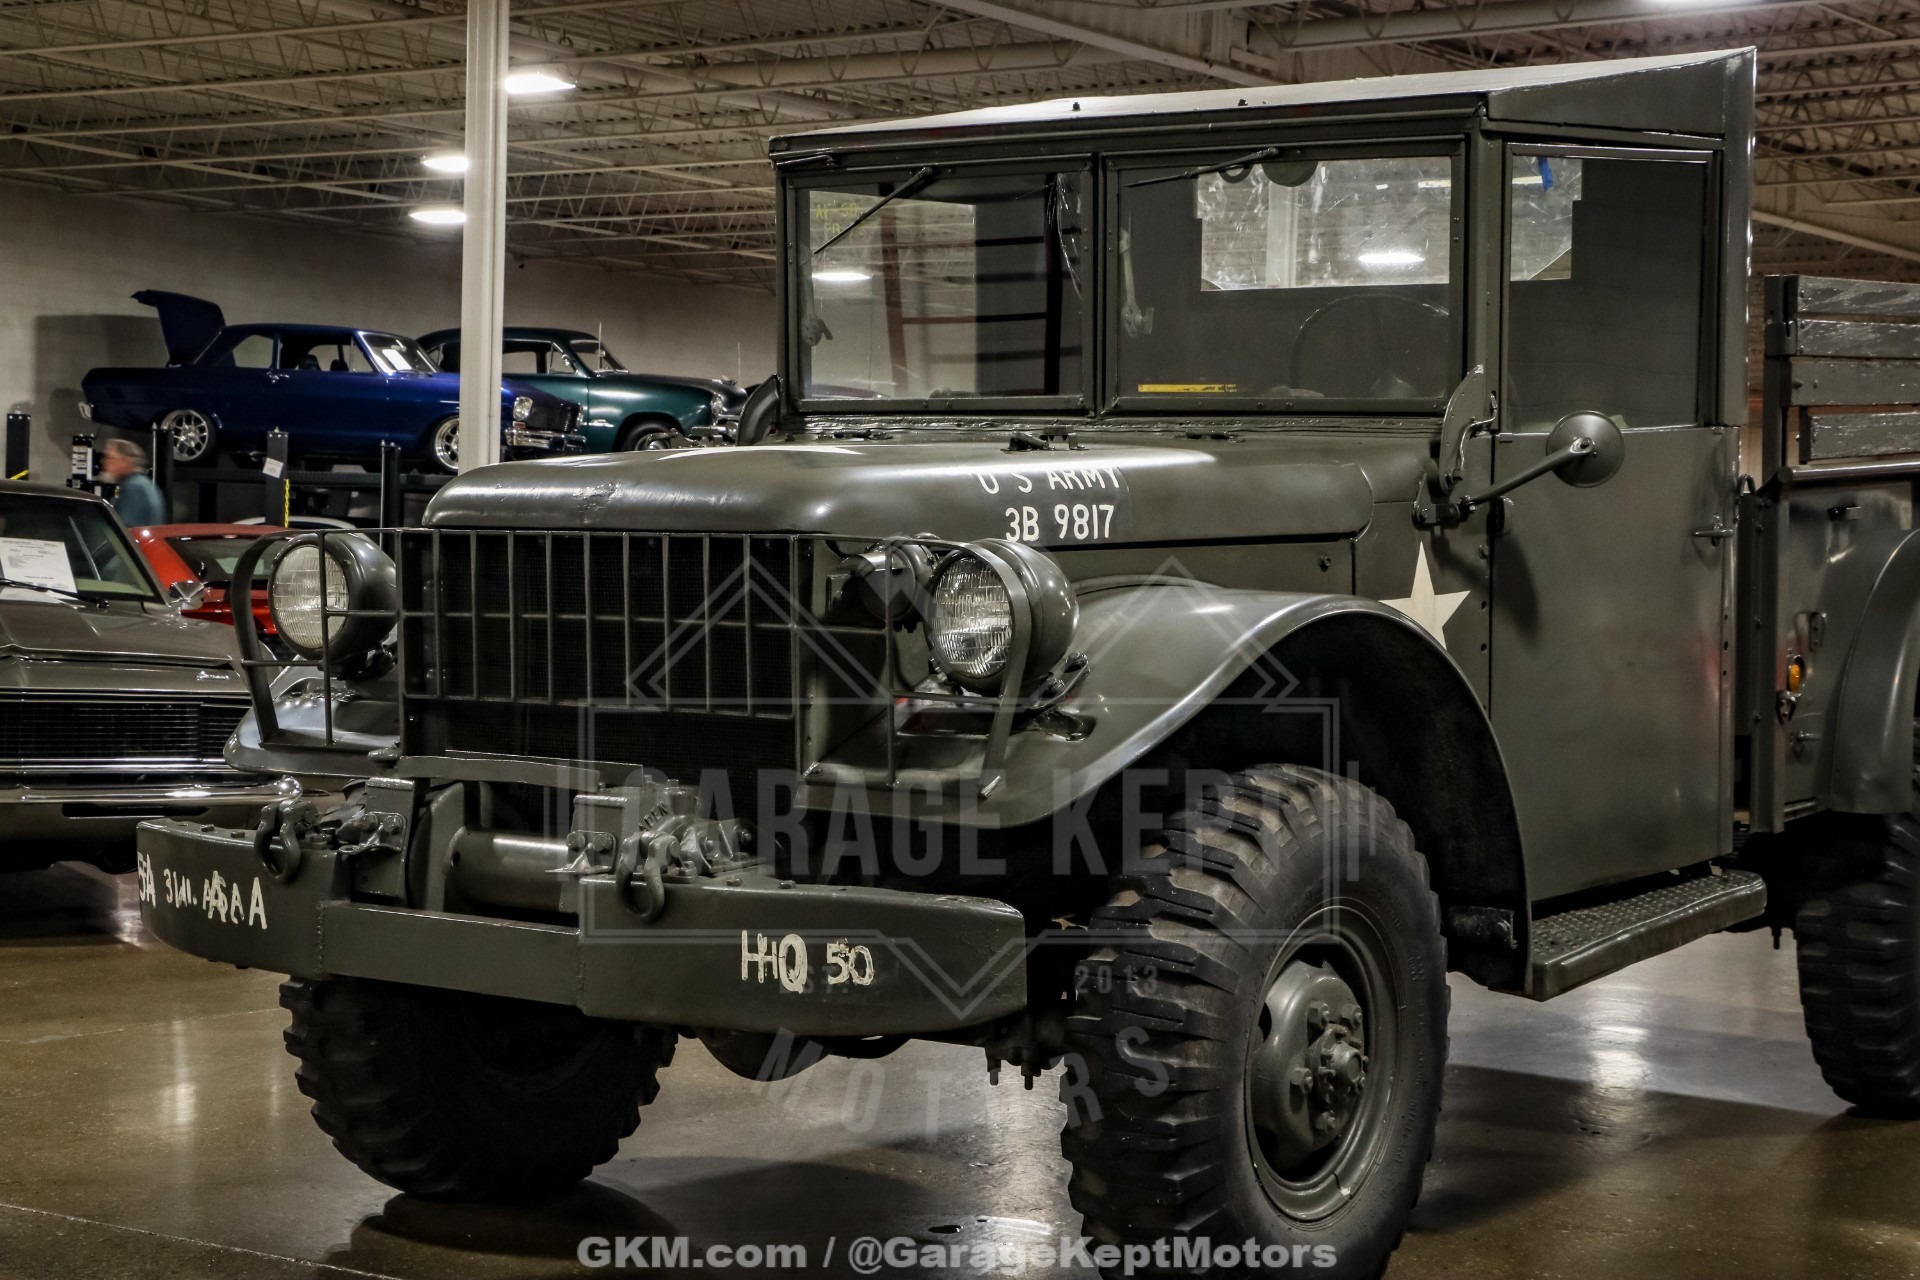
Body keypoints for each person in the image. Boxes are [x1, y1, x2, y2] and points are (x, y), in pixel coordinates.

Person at [101, 437, 167, 528]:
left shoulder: (132, 488)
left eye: (110, 458)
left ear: (125, 461)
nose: (105, 462)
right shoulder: (145, 483)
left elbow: (125, 530)